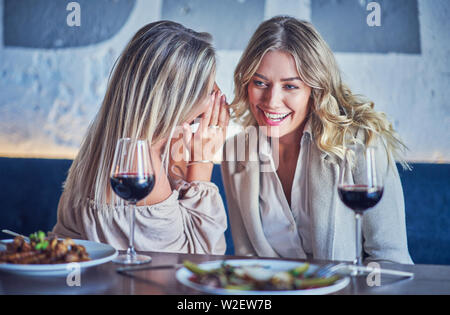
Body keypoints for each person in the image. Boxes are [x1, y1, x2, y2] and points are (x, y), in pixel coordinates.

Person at [221, 16, 413, 264]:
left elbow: (390, 257)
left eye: (290, 86)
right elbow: (246, 258)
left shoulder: (360, 143)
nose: (271, 101)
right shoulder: (235, 152)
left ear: (316, 89)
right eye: (260, 83)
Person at [53, 21, 230, 254]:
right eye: (209, 91)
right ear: (179, 100)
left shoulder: (112, 146)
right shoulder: (141, 165)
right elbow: (200, 259)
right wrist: (202, 162)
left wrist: (179, 140)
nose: (218, 99)